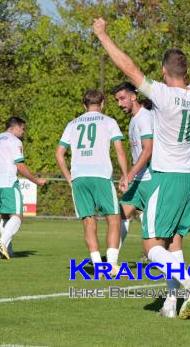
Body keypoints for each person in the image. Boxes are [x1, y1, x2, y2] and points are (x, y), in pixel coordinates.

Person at [94, 16, 190, 318]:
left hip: (167, 177)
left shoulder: (164, 95)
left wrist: (103, 35)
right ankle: (170, 304)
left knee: (150, 245)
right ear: (187, 72)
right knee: (173, 242)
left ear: (165, 72)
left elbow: (129, 68)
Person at [55, 89, 129, 276]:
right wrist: (126, 174)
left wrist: (68, 177)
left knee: (88, 221)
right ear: (103, 103)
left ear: (84, 105)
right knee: (114, 219)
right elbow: (120, 151)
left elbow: (59, 154)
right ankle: (111, 265)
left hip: (79, 177)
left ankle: (97, 266)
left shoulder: (72, 124)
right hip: (101, 175)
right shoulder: (109, 122)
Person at [0, 116, 46, 260]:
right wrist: (36, 180)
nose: (23, 132)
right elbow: (20, 166)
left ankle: (7, 250)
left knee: (6, 216)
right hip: (8, 182)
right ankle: (2, 243)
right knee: (17, 216)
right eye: (23, 129)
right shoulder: (14, 141)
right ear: (16, 127)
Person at [111, 82, 153, 262]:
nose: (120, 104)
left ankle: (166, 261)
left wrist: (129, 175)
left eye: (122, 98)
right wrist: (127, 173)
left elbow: (148, 150)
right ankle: (111, 261)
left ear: (134, 96)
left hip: (151, 179)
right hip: (139, 179)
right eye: (117, 100)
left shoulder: (144, 117)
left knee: (155, 230)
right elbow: (138, 154)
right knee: (121, 214)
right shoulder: (134, 119)